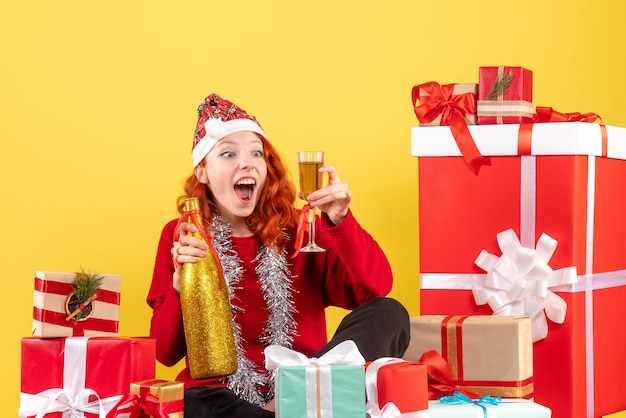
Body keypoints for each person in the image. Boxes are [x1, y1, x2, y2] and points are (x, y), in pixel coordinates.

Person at [147, 93, 410, 417]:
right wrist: (178, 288)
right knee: (194, 401)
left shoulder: (304, 228)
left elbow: (376, 288)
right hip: (225, 399)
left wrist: (341, 221)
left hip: (307, 382)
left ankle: (301, 395)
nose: (246, 163)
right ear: (202, 171)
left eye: (256, 153)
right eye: (228, 154)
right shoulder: (183, 235)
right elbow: (164, 352)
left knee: (390, 312)